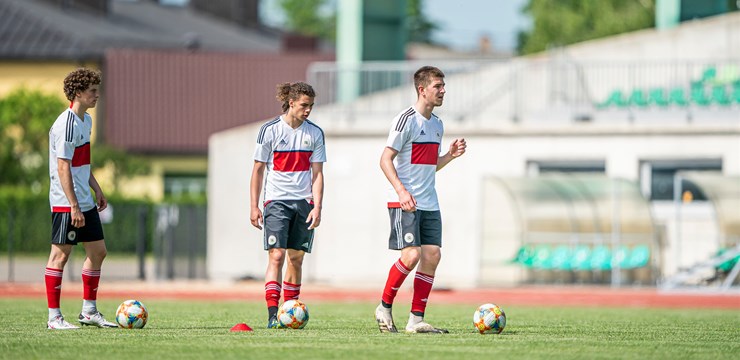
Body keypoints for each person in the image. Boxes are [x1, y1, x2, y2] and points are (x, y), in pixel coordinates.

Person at [374, 66, 466, 333]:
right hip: (404, 202)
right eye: (438, 86)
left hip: (430, 203)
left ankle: (415, 320)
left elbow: (427, 165)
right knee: (411, 255)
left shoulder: (437, 124)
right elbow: (385, 159)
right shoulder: (406, 120)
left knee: (432, 255)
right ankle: (384, 307)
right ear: (422, 89)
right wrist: (402, 192)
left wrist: (449, 156)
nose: (443, 90)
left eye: (443, 86)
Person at [249, 82, 326, 328]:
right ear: (291, 103)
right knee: (277, 255)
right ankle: (273, 314)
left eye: (311, 106)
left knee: (296, 259)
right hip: (276, 202)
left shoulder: (315, 133)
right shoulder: (269, 130)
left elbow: (317, 174)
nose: (308, 110)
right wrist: (254, 205)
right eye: (304, 105)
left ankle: (289, 311)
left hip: (304, 203)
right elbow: (258, 171)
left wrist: (318, 206)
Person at [45, 68, 117, 329]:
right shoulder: (65, 124)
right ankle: (54, 317)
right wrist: (73, 205)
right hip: (66, 203)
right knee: (60, 256)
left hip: (84, 201)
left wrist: (97, 189)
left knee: (98, 251)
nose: (97, 95)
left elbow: (81, 164)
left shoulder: (85, 120)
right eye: (93, 91)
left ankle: (89, 312)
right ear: (78, 93)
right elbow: (63, 167)